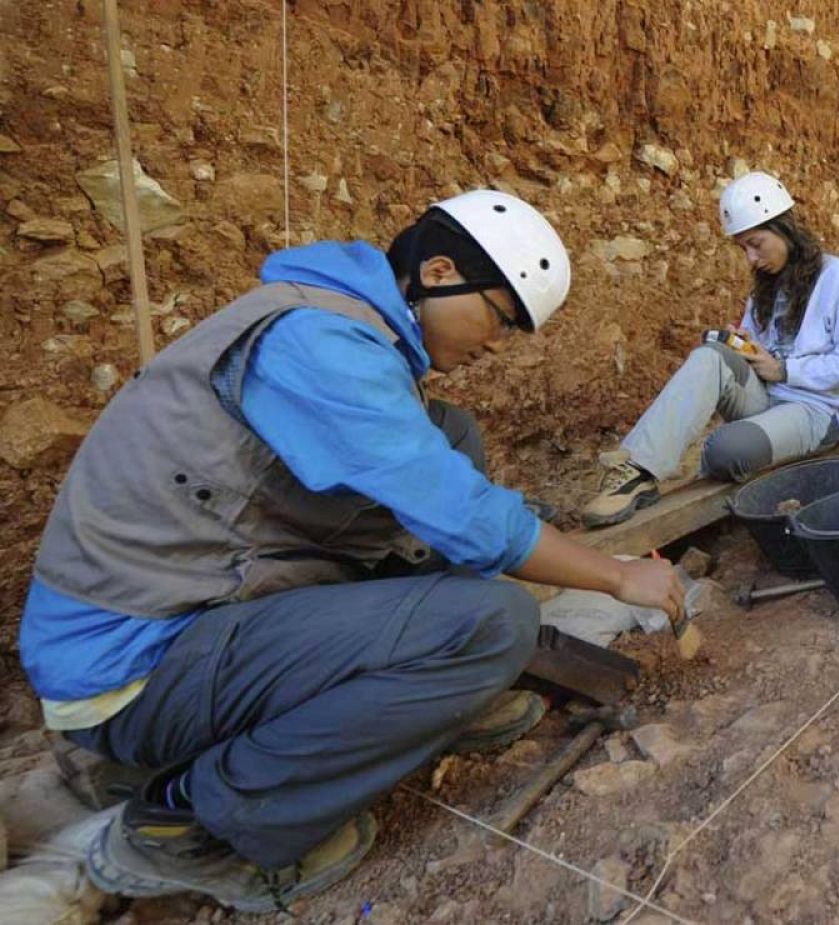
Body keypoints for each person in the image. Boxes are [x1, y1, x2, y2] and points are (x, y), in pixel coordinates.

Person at [19, 190, 685, 912]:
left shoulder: (337, 318)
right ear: (436, 271)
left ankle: (429, 699)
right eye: (497, 317)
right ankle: (188, 822)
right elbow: (469, 520)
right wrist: (618, 575)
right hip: (134, 665)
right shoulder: (319, 344)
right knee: (491, 622)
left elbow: (434, 482)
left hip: (192, 607)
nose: (496, 343)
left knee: (449, 433)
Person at [581, 171, 839, 527]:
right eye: (743, 248)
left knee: (724, 450)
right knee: (710, 355)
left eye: (756, 243)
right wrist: (742, 346)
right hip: (767, 397)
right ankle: (637, 471)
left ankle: (733, 450)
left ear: (785, 228)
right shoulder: (766, 289)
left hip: (815, 410)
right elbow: (757, 352)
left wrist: (784, 370)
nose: (751, 258)